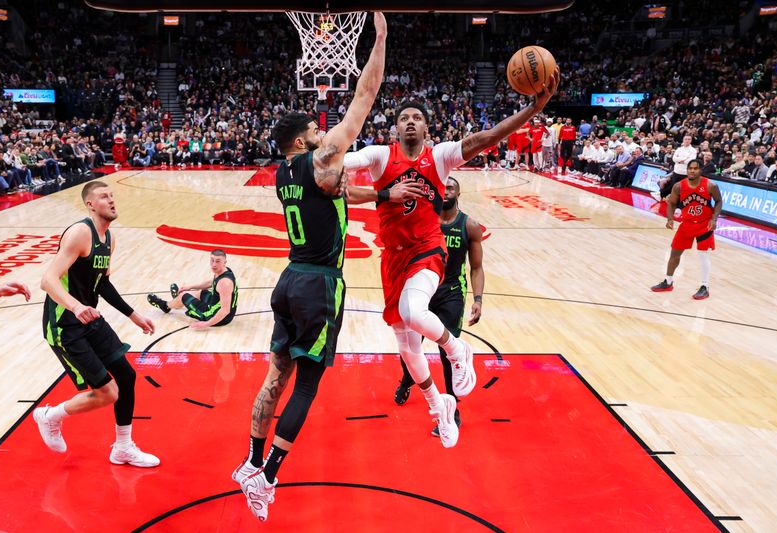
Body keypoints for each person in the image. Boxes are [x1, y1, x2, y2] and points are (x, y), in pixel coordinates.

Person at [232, 14, 420, 523]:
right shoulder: (322, 158)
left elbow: (341, 192)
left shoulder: (283, 174)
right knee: (308, 386)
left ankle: (249, 461)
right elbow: (366, 94)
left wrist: (382, 192)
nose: (323, 132)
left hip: (288, 278)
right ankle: (267, 477)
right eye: (315, 130)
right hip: (318, 285)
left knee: (275, 377)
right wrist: (379, 39)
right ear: (301, 141)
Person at [344, 69, 560, 448]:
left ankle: (459, 350)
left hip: (428, 249)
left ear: (427, 129)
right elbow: (341, 170)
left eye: (417, 118)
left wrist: (532, 109)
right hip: (392, 259)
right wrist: (315, 158)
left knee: (413, 311)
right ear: (395, 129)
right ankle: (439, 407)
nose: (410, 122)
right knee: (408, 350)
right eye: (403, 118)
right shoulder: (379, 156)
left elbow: (487, 137)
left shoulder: (439, 156)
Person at [33, 181, 159, 466]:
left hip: (89, 320)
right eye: (103, 197)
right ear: (90, 204)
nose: (111, 200)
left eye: (112, 195)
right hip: (64, 324)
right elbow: (47, 279)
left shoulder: (108, 238)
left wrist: (133, 315)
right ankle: (49, 416)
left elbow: (103, 284)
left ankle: (123, 448)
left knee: (126, 377)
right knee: (107, 393)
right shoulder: (80, 232)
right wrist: (76, 306)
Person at [394, 176, 485, 438]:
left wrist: (478, 300)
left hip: (451, 293)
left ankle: (453, 411)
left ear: (459, 192)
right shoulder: (425, 220)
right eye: (443, 188)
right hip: (423, 287)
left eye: (452, 188)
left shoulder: (469, 225)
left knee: (448, 354)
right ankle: (407, 378)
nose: (446, 192)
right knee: (410, 347)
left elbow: (476, 267)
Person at [651, 160, 722, 300]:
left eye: (695, 168)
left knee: (703, 255)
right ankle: (668, 282)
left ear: (700, 170)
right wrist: (670, 219)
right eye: (690, 168)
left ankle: (704, 286)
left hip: (704, 224)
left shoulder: (710, 185)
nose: (692, 171)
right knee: (674, 252)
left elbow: (719, 201)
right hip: (687, 223)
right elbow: (671, 203)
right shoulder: (679, 186)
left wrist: (714, 219)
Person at [146, 249, 238, 329]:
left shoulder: (225, 283)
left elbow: (225, 311)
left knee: (184, 296)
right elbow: (211, 282)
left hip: (218, 318)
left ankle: (165, 306)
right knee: (201, 292)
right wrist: (190, 286)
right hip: (219, 309)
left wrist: (206, 324)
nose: (214, 264)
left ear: (225, 262)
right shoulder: (224, 271)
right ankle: (178, 300)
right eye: (212, 260)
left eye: (218, 261)